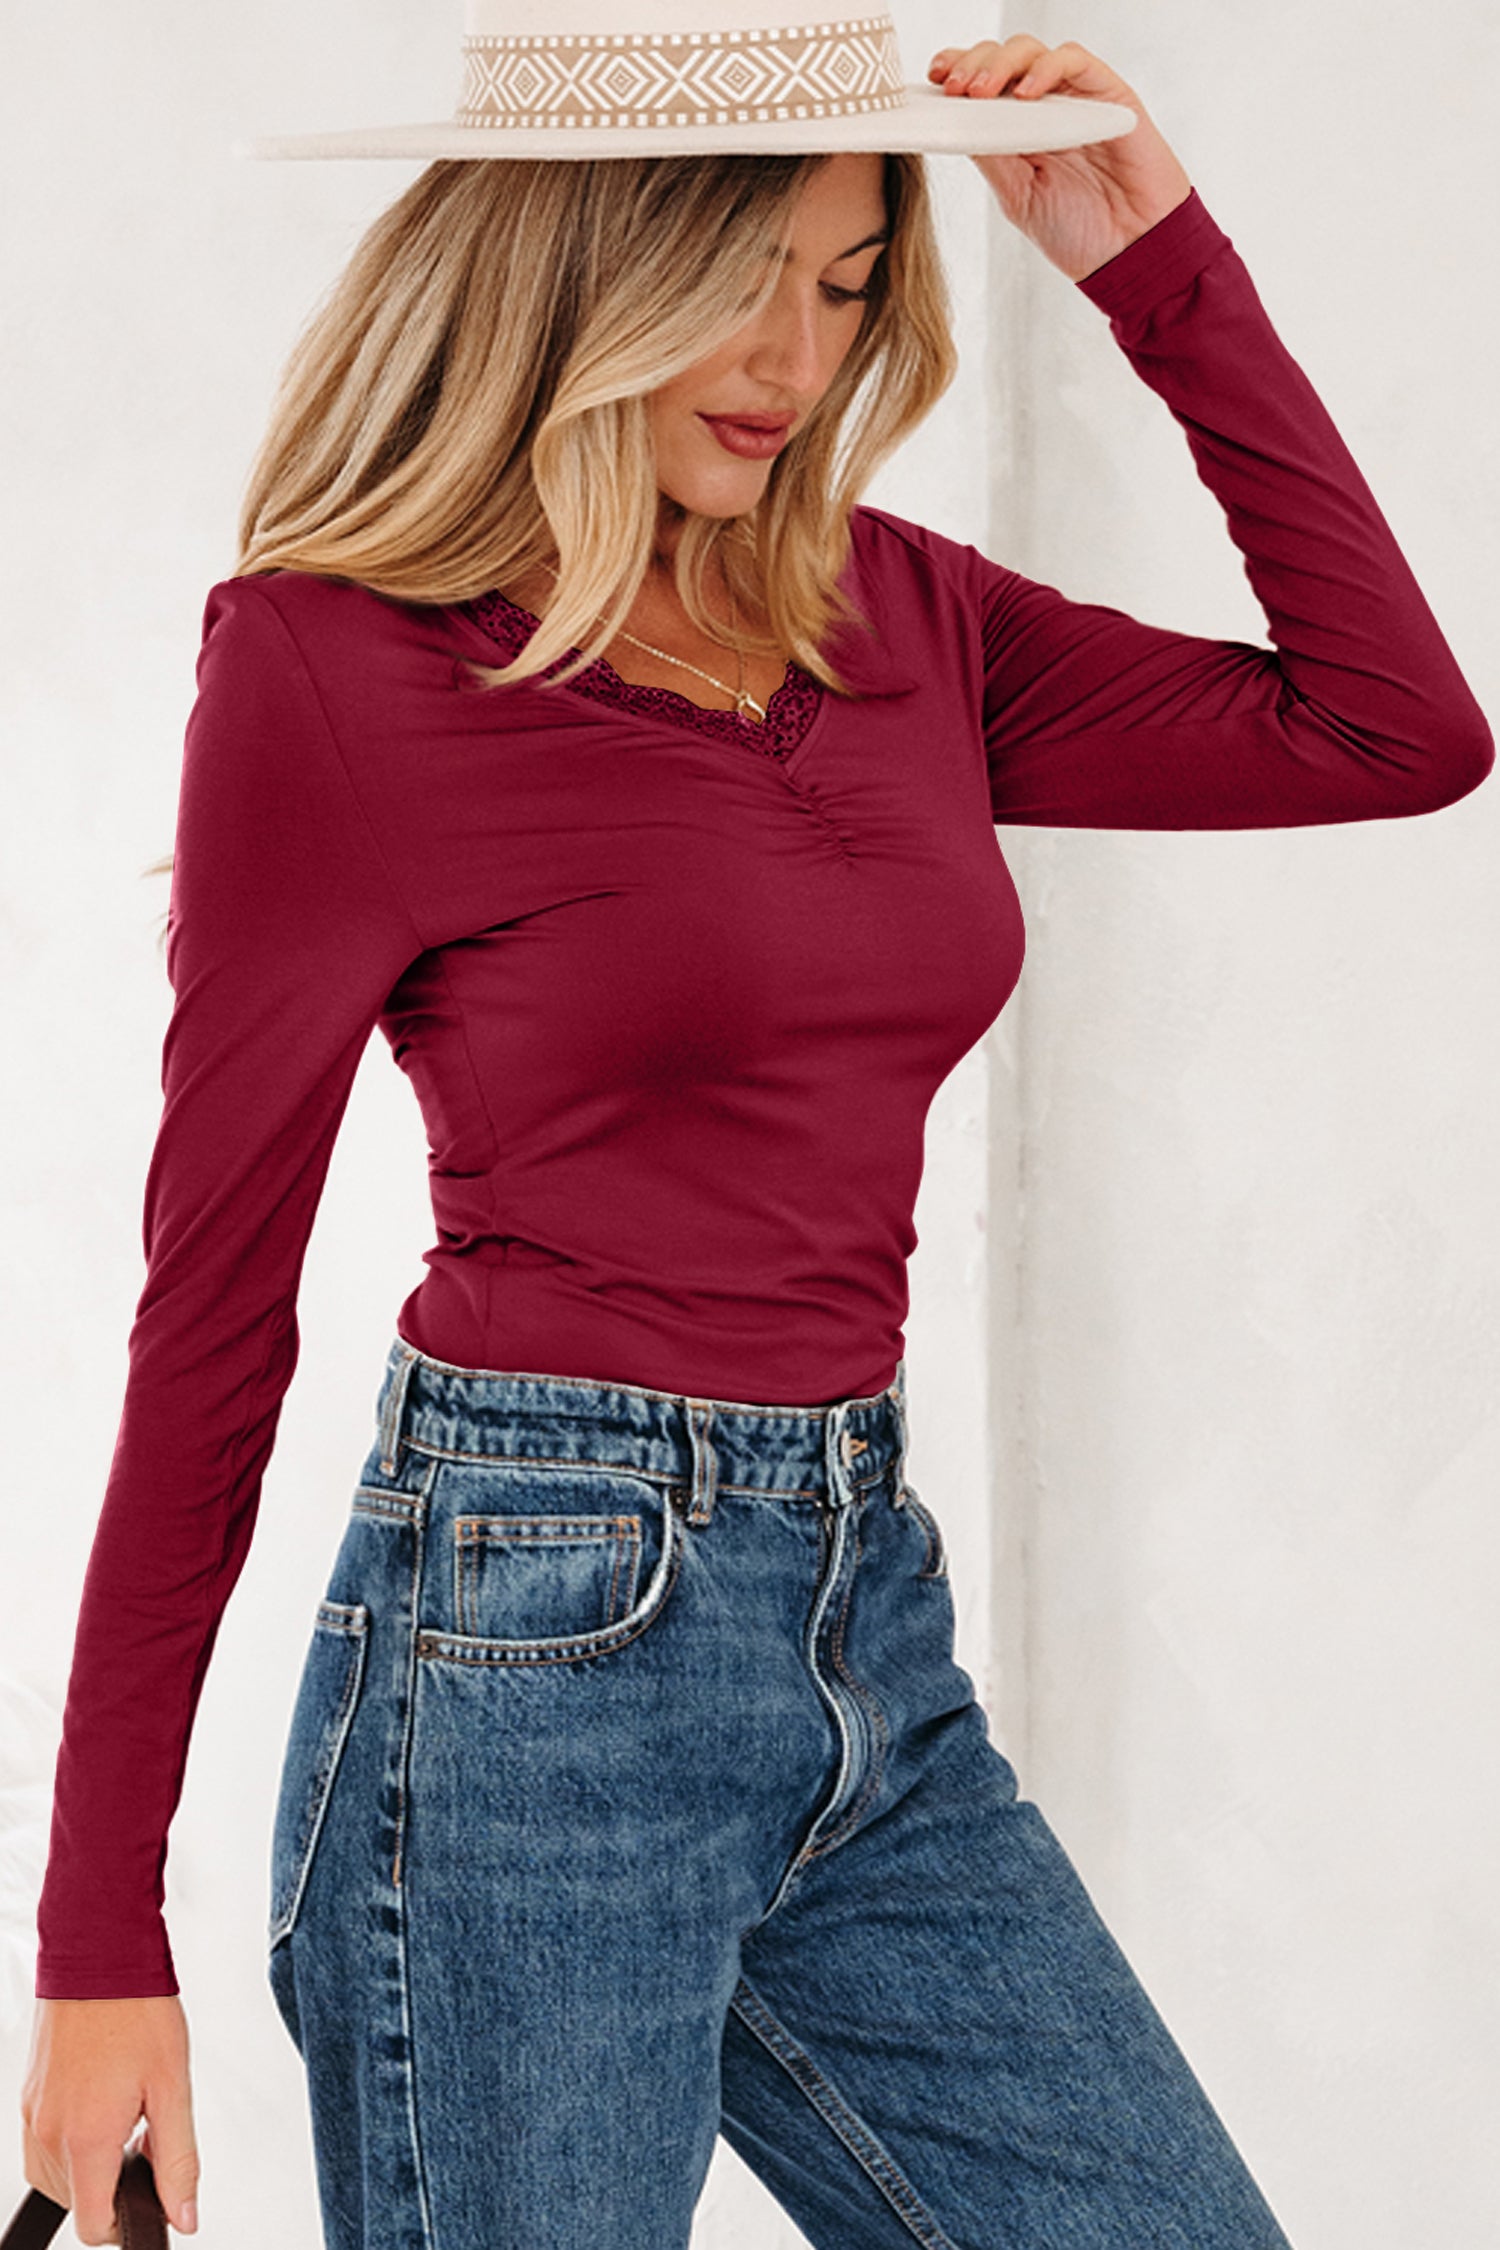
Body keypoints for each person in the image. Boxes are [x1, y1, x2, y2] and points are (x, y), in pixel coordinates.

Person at [20, 11, 1493, 2249]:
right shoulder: (338, 667)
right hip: (527, 1661)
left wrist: (1151, 256)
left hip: (865, 1634)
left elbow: (1394, 729)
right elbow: (209, 1323)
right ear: (580, 262)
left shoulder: (901, 612)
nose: (797, 357)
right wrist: (95, 1939)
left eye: (848, 282)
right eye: (739, 276)